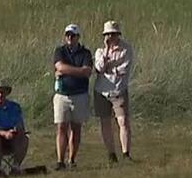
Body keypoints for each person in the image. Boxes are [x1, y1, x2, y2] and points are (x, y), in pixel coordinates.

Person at [52, 24, 92, 170]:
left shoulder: (85, 53)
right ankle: (60, 161)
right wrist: (78, 71)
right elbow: (60, 66)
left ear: (78, 37)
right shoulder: (60, 51)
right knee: (61, 127)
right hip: (62, 95)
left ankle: (72, 159)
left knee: (76, 128)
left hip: (79, 94)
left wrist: (66, 71)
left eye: (73, 35)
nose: (70, 37)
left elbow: (87, 71)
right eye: (67, 35)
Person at [93, 21, 134, 163]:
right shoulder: (100, 51)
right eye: (108, 34)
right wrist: (106, 51)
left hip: (118, 90)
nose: (111, 37)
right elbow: (99, 68)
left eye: (113, 34)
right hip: (102, 91)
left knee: (123, 121)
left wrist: (110, 68)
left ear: (118, 34)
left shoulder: (126, 49)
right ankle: (111, 154)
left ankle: (126, 153)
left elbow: (124, 69)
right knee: (105, 123)